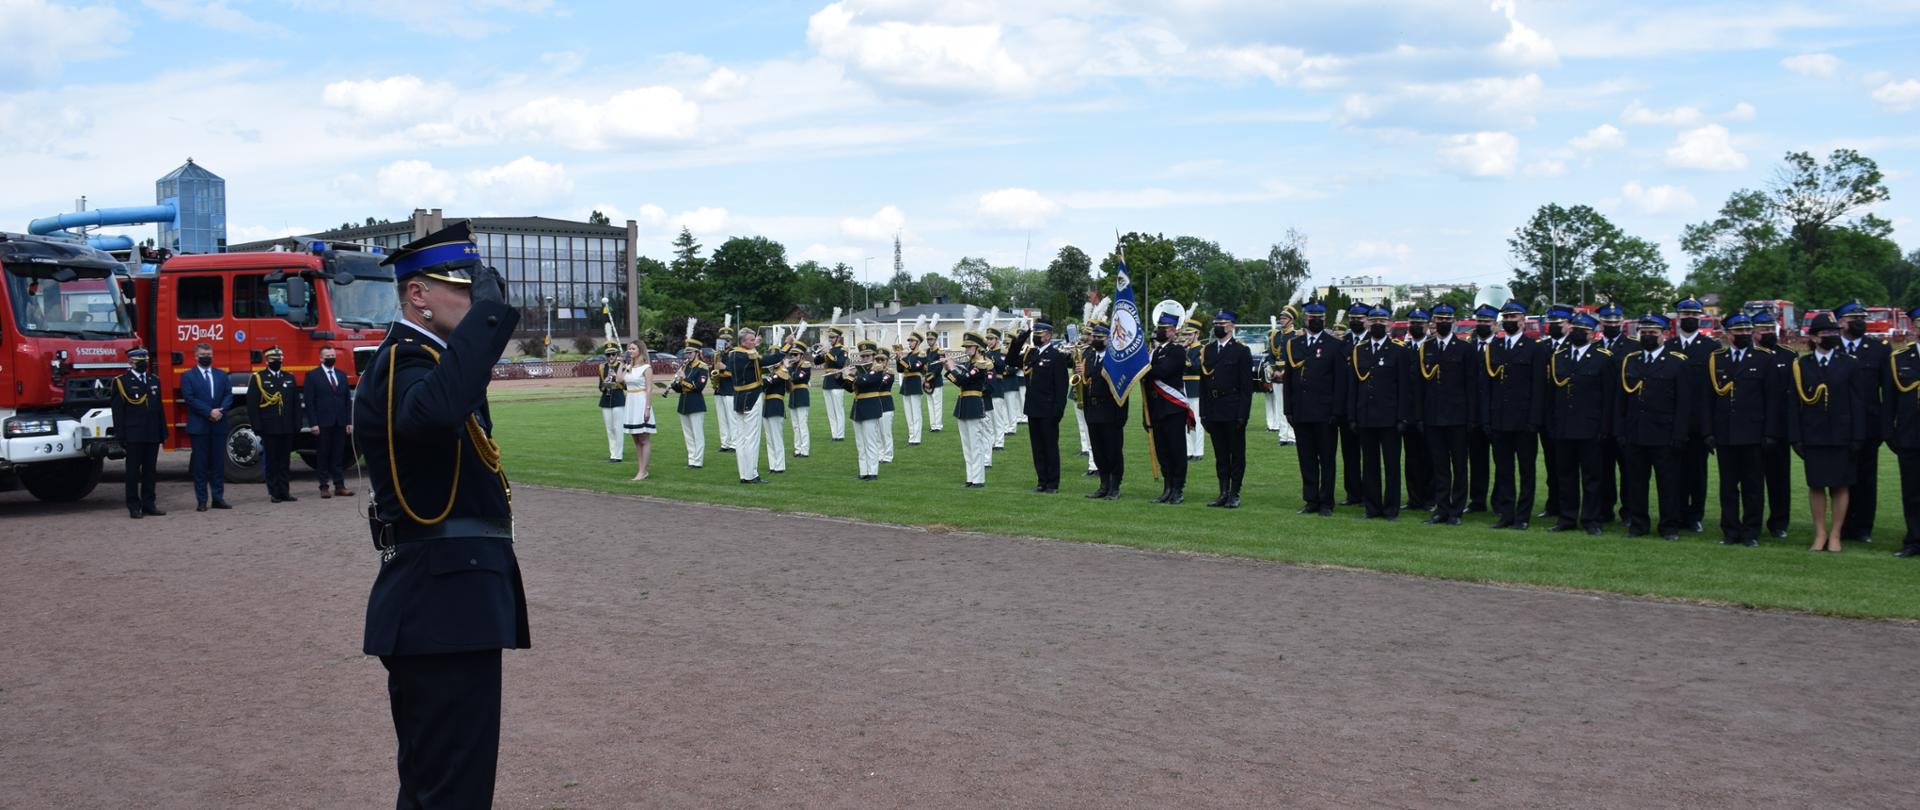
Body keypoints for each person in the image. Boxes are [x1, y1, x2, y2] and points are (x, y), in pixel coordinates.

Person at [356, 220, 529, 809]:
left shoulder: (431, 359)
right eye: (461, 286)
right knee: (448, 788)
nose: (476, 296)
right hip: (439, 599)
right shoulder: (403, 362)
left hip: (454, 597)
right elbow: (434, 415)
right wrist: (485, 320)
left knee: (454, 784)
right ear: (418, 295)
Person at [1788, 313, 1869, 552]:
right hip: (1812, 434)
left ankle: (1835, 535)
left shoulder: (1850, 363)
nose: (1832, 337)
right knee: (1816, 485)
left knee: (1840, 486)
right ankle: (1820, 533)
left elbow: (1858, 403)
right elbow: (1794, 404)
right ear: (1814, 337)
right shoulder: (1802, 365)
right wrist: (1795, 437)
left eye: (1835, 332)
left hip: (1842, 434)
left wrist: (1858, 436)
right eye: (1826, 334)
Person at [1618, 313, 1693, 541]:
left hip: (1665, 433)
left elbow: (1684, 402)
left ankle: (1669, 527)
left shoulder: (1677, 362)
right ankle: (1638, 524)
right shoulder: (1631, 360)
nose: (1649, 336)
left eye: (1653, 333)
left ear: (1664, 335)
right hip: (1636, 433)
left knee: (1668, 484)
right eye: (1645, 333)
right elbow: (1622, 401)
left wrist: (1680, 433)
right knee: (1636, 484)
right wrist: (1621, 430)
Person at [1706, 314, 1776, 547]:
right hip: (1725, 432)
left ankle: (1750, 532)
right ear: (1728, 333)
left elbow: (1770, 399)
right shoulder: (1717, 359)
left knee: (1753, 486)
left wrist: (1768, 432)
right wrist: (1709, 431)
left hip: (1753, 433)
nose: (1744, 334)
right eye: (1739, 331)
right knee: (1728, 486)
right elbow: (1709, 399)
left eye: (1747, 330)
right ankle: (1730, 530)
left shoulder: (1764, 358)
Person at [1545, 314, 1613, 535]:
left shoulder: (1603, 358)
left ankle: (1591, 519)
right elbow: (1553, 394)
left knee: (1592, 477)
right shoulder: (1560, 356)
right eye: (1574, 328)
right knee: (1565, 475)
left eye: (1582, 330)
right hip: (1564, 426)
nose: (1576, 333)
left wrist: (1604, 427)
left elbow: (1608, 397)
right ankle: (1567, 517)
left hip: (1590, 427)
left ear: (1592, 334)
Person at [1348, 306, 1412, 520]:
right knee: (1370, 465)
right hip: (1365, 416)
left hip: (1390, 418)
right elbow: (1354, 386)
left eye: (1381, 321)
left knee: (1392, 466)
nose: (1377, 324)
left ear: (1389, 324)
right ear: (1367, 323)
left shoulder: (1399, 351)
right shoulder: (1360, 350)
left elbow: (1404, 386)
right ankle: (1372, 507)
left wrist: (1403, 417)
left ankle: (1391, 508)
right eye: (1373, 320)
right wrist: (1353, 416)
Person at [1282, 302, 1345, 516]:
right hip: (1301, 410)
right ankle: (1311, 500)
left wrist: (1336, 412)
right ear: (1305, 318)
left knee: (1326, 459)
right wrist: (1288, 409)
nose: (1315, 320)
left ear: (1324, 319)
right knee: (1306, 459)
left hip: (1325, 412)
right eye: (1311, 316)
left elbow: (1339, 382)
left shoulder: (1334, 345)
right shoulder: (1294, 344)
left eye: (1319, 317)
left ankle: (1326, 502)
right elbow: (1289, 380)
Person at [1484, 300, 1542, 530]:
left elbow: (1538, 387)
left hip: (1524, 420)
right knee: (1504, 470)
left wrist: (1534, 419)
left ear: (1523, 321)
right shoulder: (1495, 348)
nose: (1509, 321)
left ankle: (1523, 516)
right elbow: (1488, 387)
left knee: (1527, 470)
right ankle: (1506, 514)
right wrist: (1488, 418)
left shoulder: (1534, 348)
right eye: (1505, 318)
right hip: (1500, 419)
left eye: (1513, 318)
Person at [1414, 303, 1474, 525]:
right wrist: (1420, 416)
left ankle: (1456, 510)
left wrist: (1471, 418)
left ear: (1454, 321)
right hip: (1433, 416)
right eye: (1439, 319)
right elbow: (1420, 386)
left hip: (1458, 417)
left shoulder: (1464, 349)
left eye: (1447, 319)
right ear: (1433, 322)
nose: (1443, 322)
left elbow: (1471, 386)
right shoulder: (1426, 348)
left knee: (1459, 465)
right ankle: (1441, 508)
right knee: (1439, 466)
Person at [1836, 300, 1889, 545]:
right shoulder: (1832, 348)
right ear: (1840, 322)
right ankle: (1842, 525)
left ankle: (1863, 527)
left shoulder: (1879, 350)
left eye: (1862, 317)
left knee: (1866, 478)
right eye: (1853, 318)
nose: (1859, 322)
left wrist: (1885, 426)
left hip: (1869, 425)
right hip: (1837, 426)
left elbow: (1887, 392)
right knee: (1840, 477)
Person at [1666, 296, 1719, 533]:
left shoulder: (1711, 348)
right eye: (1685, 315)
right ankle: (1675, 513)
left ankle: (1695, 515)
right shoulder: (1668, 347)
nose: (1689, 319)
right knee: (1673, 471)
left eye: (1694, 315)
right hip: (1671, 420)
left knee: (1697, 471)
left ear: (1700, 318)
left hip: (1698, 421)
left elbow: (1712, 390)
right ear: (1677, 318)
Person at [1201, 310, 1254, 508]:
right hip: (1214, 409)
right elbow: (1204, 384)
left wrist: (1243, 414)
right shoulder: (1208, 350)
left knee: (1236, 454)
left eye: (1222, 323)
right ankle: (1223, 491)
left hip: (1233, 408)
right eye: (1216, 323)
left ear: (1232, 326)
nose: (1218, 326)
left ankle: (1235, 492)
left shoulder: (1241, 351)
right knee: (1220, 454)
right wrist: (1203, 412)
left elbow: (1246, 387)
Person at [110, 346, 167, 519]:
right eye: (139, 360)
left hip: (152, 433)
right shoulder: (121, 382)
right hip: (133, 434)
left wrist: (162, 430)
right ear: (131, 362)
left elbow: (159, 409)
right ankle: (134, 505)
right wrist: (120, 435)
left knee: (150, 471)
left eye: (145, 360)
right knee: (133, 472)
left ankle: (149, 503)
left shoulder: (153, 380)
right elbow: (118, 412)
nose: (143, 363)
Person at [1015, 321, 1071, 494]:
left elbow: (1061, 387)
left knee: (1050, 447)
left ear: (1048, 335)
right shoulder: (1030, 354)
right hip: (1033, 408)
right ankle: (1042, 480)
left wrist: (1058, 411)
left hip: (1049, 410)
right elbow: (1010, 360)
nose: (1036, 336)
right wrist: (1021, 338)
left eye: (1039, 333)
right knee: (1037, 448)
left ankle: (1052, 483)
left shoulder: (1056, 356)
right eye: (1034, 333)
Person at [1753, 311, 1795, 538]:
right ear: (1754, 332)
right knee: (1753, 480)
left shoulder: (1789, 356)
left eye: (1771, 329)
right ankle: (1754, 521)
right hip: (1752, 428)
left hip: (1779, 429)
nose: (1768, 333)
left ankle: (1779, 523)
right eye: (1763, 330)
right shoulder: (1749, 355)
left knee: (1779, 480)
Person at [1144, 312, 1194, 504]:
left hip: (1172, 408)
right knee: (1162, 451)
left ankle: (1178, 489)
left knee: (1176, 450)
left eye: (1164, 328)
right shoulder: (1154, 353)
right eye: (1159, 328)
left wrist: (1147, 371)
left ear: (1173, 331)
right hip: (1156, 408)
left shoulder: (1177, 351)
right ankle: (1167, 487)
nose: (1159, 331)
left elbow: (1163, 371)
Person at [1884, 307, 1920, 558]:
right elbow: (1889, 401)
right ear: (1915, 327)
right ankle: (1914, 539)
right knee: (1913, 492)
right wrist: (1889, 432)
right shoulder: (1900, 358)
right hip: (1911, 434)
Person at [247, 346, 303, 503]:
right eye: (273, 360)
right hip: (269, 427)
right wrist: (257, 425)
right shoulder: (258, 378)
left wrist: (297, 423)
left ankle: (285, 491)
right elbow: (252, 405)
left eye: (279, 360)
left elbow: (295, 404)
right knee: (272, 461)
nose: (277, 362)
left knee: (285, 461)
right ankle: (274, 492)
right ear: (267, 361)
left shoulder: (288, 377)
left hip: (286, 426)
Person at [181, 341, 233, 511]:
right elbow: (190, 399)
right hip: (199, 426)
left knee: (218, 464)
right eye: (203, 355)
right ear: (196, 357)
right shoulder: (188, 376)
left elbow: (228, 395)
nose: (206, 357)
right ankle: (202, 500)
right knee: (201, 465)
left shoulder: (222, 375)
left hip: (219, 424)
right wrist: (209, 411)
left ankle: (218, 498)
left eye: (209, 354)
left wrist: (220, 411)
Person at [1593, 303, 1631, 525]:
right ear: (1601, 324)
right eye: (1608, 323)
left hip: (1625, 417)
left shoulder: (1632, 347)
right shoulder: (1594, 347)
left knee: (1628, 470)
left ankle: (1628, 511)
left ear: (1622, 323)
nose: (1612, 326)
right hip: (1600, 418)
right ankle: (1604, 510)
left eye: (1616, 323)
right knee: (1603, 469)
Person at [1536, 304, 1573, 522]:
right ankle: (1553, 504)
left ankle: (1570, 505)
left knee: (1568, 465)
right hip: (1547, 415)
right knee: (1551, 463)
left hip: (1569, 415)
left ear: (1568, 324)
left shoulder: (1573, 346)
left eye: (1557, 324)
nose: (1553, 327)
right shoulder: (1542, 347)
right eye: (1550, 324)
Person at [1082, 324, 1128, 499]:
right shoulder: (1091, 356)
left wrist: (1120, 416)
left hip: (1110, 411)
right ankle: (1103, 484)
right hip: (1093, 410)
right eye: (1094, 337)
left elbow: (1123, 389)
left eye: (1099, 338)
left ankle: (1115, 487)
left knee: (1113, 451)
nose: (1095, 340)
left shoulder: (1116, 359)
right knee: (1099, 451)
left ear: (1108, 339)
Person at [303, 345, 354, 499]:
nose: (331, 357)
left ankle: (339, 486)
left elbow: (347, 400)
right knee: (323, 455)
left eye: (333, 354)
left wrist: (349, 421)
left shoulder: (341, 375)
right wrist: (313, 423)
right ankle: (324, 486)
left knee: (338, 455)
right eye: (328, 355)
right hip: (322, 423)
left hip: (340, 422)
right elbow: (309, 402)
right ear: (321, 358)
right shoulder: (312, 376)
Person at [947, 331, 994, 488]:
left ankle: (978, 479)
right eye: (965, 346)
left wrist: (952, 368)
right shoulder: (969, 364)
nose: (966, 349)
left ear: (977, 347)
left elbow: (963, 380)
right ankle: (970, 478)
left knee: (975, 444)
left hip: (974, 403)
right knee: (967, 445)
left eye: (969, 346)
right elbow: (960, 383)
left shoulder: (980, 364)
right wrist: (949, 370)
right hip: (964, 404)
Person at [1464, 304, 1498, 514]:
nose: (1483, 325)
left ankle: (1500, 501)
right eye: (1480, 322)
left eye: (1487, 322)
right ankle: (1477, 500)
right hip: (1474, 413)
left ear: (1495, 325)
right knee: (1477, 460)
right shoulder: (1469, 348)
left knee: (1502, 462)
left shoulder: (1501, 347)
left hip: (1496, 413)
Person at [1336, 303, 1370, 505]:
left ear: (1367, 320)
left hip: (1366, 406)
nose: (1356, 321)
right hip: (1346, 406)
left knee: (1368, 454)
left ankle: (1369, 492)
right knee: (1349, 454)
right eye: (1353, 318)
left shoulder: (1371, 341)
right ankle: (1353, 493)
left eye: (1360, 318)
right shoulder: (1343, 341)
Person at [1400, 308, 1434, 514]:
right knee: (1411, 458)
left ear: (1428, 325)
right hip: (1409, 413)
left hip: (1429, 412)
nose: (1416, 326)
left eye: (1420, 323)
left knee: (1430, 458)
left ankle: (1430, 498)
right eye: (1413, 322)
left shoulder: (1432, 347)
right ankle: (1414, 498)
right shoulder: (1404, 350)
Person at [725, 327, 768, 484]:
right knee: (751, 438)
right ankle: (751, 474)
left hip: (739, 398)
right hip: (753, 397)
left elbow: (752, 354)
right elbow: (768, 360)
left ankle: (744, 474)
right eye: (751, 340)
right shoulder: (750, 355)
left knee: (741, 439)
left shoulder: (734, 354)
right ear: (743, 342)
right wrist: (786, 346)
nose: (754, 342)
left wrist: (753, 344)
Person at [848, 340, 893, 480]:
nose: (865, 359)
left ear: (873, 356)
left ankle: (873, 472)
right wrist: (840, 377)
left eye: (868, 356)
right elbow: (849, 388)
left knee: (871, 442)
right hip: (858, 408)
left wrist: (852, 377)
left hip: (870, 408)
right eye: (863, 356)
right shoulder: (859, 371)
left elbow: (864, 381)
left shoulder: (878, 370)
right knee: (860, 443)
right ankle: (863, 471)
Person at [668, 340, 709, 468]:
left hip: (696, 403)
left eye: (690, 352)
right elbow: (681, 388)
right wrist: (675, 384)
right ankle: (691, 459)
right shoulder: (686, 366)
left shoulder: (702, 367)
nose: (688, 355)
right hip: (684, 403)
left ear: (697, 352)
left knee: (697, 434)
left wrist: (683, 378)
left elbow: (698, 387)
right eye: (687, 353)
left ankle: (698, 461)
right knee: (688, 435)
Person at [620, 341, 655, 481]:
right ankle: (641, 469)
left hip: (641, 402)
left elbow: (649, 389)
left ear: (640, 350)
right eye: (629, 348)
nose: (630, 350)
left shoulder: (646, 368)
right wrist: (621, 364)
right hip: (631, 402)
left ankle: (643, 471)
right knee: (636, 439)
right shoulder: (629, 367)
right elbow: (619, 379)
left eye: (633, 348)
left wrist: (647, 409)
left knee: (644, 438)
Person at [761, 343, 798, 475]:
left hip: (776, 405)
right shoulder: (773, 372)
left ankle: (780, 465)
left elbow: (766, 383)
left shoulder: (782, 372)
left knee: (776, 437)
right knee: (769, 438)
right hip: (767, 406)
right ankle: (773, 465)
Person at [1269, 307, 1298, 446]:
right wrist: (1274, 369)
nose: (1281, 320)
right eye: (1281, 318)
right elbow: (1271, 355)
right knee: (1279, 406)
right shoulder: (1276, 336)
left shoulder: (1296, 336)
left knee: (1291, 405)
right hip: (1276, 374)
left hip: (1290, 374)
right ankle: (1283, 436)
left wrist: (1285, 371)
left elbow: (1297, 357)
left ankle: (1292, 436)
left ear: (1291, 320)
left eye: (1284, 318)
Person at [816, 327, 850, 441]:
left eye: (833, 337)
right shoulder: (829, 350)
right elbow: (816, 362)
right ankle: (834, 434)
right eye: (829, 337)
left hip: (837, 381)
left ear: (838, 338)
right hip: (827, 382)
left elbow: (840, 364)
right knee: (830, 412)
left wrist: (828, 353)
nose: (830, 339)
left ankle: (840, 435)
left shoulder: (842, 350)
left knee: (838, 410)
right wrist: (820, 352)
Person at [1181, 317, 1206, 462]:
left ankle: (1199, 450)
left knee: (1197, 420)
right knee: (1186, 422)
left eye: (1189, 334)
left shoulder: (1201, 349)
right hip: (1184, 387)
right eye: (1185, 335)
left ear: (1196, 334)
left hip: (1196, 387)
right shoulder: (1186, 349)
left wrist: (1183, 354)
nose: (1187, 338)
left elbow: (1196, 366)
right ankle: (1189, 450)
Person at [595, 343, 625, 463]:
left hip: (618, 398)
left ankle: (618, 455)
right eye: (608, 354)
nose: (611, 356)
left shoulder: (622, 366)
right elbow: (600, 386)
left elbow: (625, 385)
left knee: (618, 428)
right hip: (606, 400)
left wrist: (616, 381)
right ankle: (613, 453)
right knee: (610, 428)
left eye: (613, 354)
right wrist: (605, 382)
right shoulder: (602, 367)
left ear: (617, 354)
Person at [897, 332, 929, 446]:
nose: (909, 343)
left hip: (914, 383)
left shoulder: (921, 354)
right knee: (908, 414)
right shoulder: (908, 356)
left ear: (918, 342)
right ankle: (911, 437)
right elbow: (900, 369)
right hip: (906, 384)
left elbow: (913, 367)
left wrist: (901, 359)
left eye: (912, 341)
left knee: (916, 413)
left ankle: (916, 438)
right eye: (909, 341)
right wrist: (898, 358)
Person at [985, 328, 1012, 448]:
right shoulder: (987, 353)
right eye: (988, 339)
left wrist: (990, 360)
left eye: (991, 339)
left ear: (997, 339)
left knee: (998, 416)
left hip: (997, 385)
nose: (989, 341)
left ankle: (999, 442)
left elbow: (1001, 366)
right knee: (989, 417)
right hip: (987, 387)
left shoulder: (1002, 352)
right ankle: (991, 441)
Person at [712, 326, 737, 453]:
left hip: (730, 390)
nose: (725, 342)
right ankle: (725, 443)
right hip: (719, 390)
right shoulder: (717, 354)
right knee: (721, 419)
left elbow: (736, 372)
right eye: (722, 340)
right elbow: (713, 370)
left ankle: (734, 444)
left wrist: (724, 367)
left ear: (731, 341)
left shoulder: (734, 354)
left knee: (732, 418)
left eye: (727, 340)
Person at [788, 342, 813, 458]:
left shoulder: (805, 365)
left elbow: (797, 378)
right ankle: (797, 449)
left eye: (795, 354)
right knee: (795, 426)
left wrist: (788, 371)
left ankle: (805, 450)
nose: (792, 357)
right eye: (791, 354)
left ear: (801, 355)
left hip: (802, 395)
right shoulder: (792, 366)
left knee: (802, 425)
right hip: (793, 396)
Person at [877, 346, 898, 463]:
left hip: (886, 404)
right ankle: (880, 454)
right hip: (875, 404)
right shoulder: (873, 372)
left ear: (887, 361)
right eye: (878, 359)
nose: (880, 362)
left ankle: (888, 455)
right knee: (877, 432)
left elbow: (881, 384)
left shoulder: (889, 373)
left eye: (882, 360)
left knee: (886, 432)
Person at [921, 336, 945, 434]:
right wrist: (924, 378)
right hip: (927, 382)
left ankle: (938, 426)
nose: (929, 341)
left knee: (937, 404)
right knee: (930, 405)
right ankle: (933, 425)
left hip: (936, 381)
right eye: (928, 339)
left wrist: (928, 379)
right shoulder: (927, 352)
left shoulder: (940, 352)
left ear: (935, 340)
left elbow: (939, 368)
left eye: (931, 339)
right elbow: (924, 366)